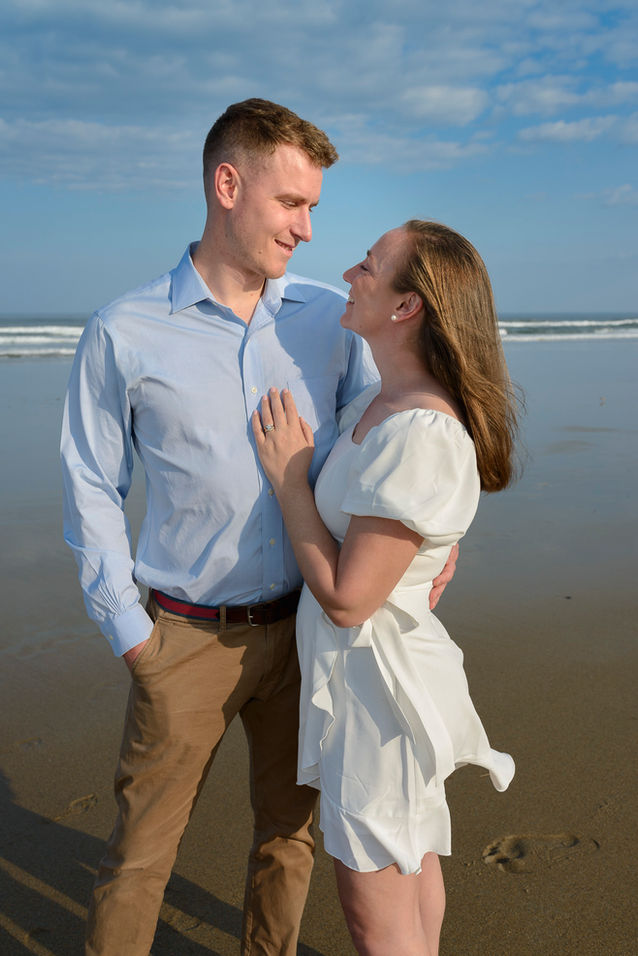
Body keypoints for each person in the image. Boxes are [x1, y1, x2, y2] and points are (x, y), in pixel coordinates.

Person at [61, 100, 455, 956]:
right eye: (292, 204)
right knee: (138, 859)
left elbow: (390, 433)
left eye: (314, 207)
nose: (309, 229)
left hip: (310, 634)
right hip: (184, 641)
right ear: (227, 184)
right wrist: (132, 634)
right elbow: (92, 485)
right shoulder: (123, 332)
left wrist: (432, 540)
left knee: (288, 842)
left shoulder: (329, 319)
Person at [252, 220, 519, 956]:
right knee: (410, 870)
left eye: (369, 266)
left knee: (379, 916)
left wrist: (289, 482)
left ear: (408, 308)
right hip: (370, 687)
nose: (348, 272)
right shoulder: (383, 406)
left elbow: (347, 596)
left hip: (379, 702)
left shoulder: (421, 432)